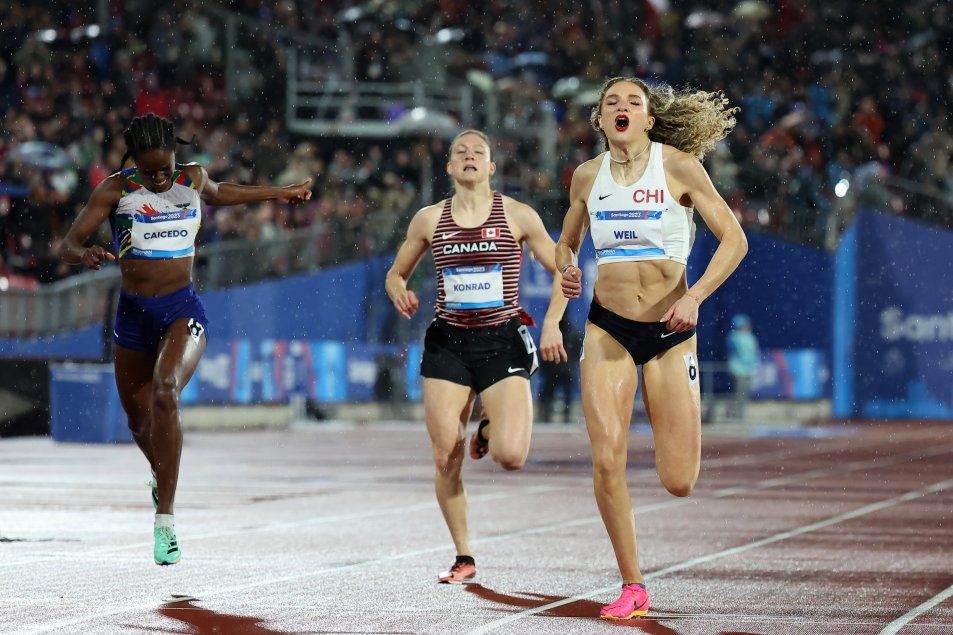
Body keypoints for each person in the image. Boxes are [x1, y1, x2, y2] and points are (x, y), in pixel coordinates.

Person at [58, 113, 312, 565]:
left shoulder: (190, 177)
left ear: (176, 155)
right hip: (133, 318)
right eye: (149, 171)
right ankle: (161, 474)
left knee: (166, 391)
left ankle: (166, 521)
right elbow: (67, 244)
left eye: (165, 169)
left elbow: (222, 193)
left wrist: (280, 192)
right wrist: (87, 254)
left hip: (181, 311)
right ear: (133, 161)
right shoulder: (116, 190)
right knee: (139, 425)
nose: (159, 179)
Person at [555, 77, 747, 620]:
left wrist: (697, 297)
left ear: (648, 120)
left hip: (669, 330)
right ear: (600, 119)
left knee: (679, 480)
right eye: (611, 102)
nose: (621, 108)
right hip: (607, 327)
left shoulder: (679, 166)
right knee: (606, 457)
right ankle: (632, 585)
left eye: (632, 103)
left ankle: (639, 568)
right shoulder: (587, 177)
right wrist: (567, 269)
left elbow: (735, 239)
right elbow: (565, 242)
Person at [385, 129, 568, 584]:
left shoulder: (517, 214)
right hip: (448, 343)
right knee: (446, 454)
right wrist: (399, 291)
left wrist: (551, 323)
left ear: (490, 168)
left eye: (478, 153)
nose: (469, 157)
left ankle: (489, 425)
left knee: (511, 457)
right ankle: (463, 555)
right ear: (449, 167)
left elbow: (565, 270)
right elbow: (394, 273)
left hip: (502, 340)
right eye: (460, 153)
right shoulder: (429, 220)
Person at [538, 317, 582, 423]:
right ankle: (562, 414)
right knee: (558, 393)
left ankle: (548, 414)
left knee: (554, 393)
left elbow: (543, 350)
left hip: (556, 368)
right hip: (563, 368)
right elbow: (578, 351)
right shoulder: (573, 332)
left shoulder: (550, 333)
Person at [726, 313, 760, 420]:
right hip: (737, 370)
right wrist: (748, 361)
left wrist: (754, 364)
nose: (746, 327)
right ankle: (734, 415)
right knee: (737, 393)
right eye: (743, 325)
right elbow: (738, 351)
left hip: (748, 370)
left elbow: (755, 353)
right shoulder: (734, 337)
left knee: (744, 394)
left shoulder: (751, 337)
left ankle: (740, 414)